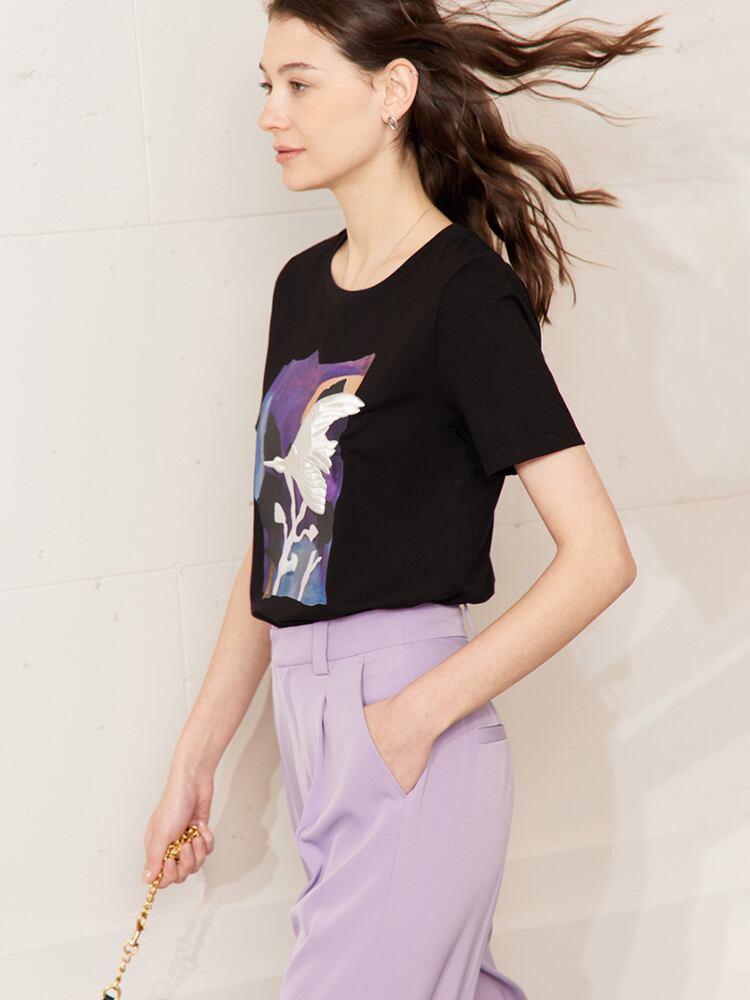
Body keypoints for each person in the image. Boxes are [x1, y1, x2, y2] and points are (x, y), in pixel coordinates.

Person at [142, 2, 660, 997]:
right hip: (311, 720)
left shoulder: (463, 294)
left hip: (405, 718)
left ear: (393, 91)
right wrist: (195, 758)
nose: (271, 113)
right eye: (267, 86)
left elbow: (599, 556)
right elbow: (278, 539)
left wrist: (414, 716)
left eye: (300, 84)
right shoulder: (301, 288)